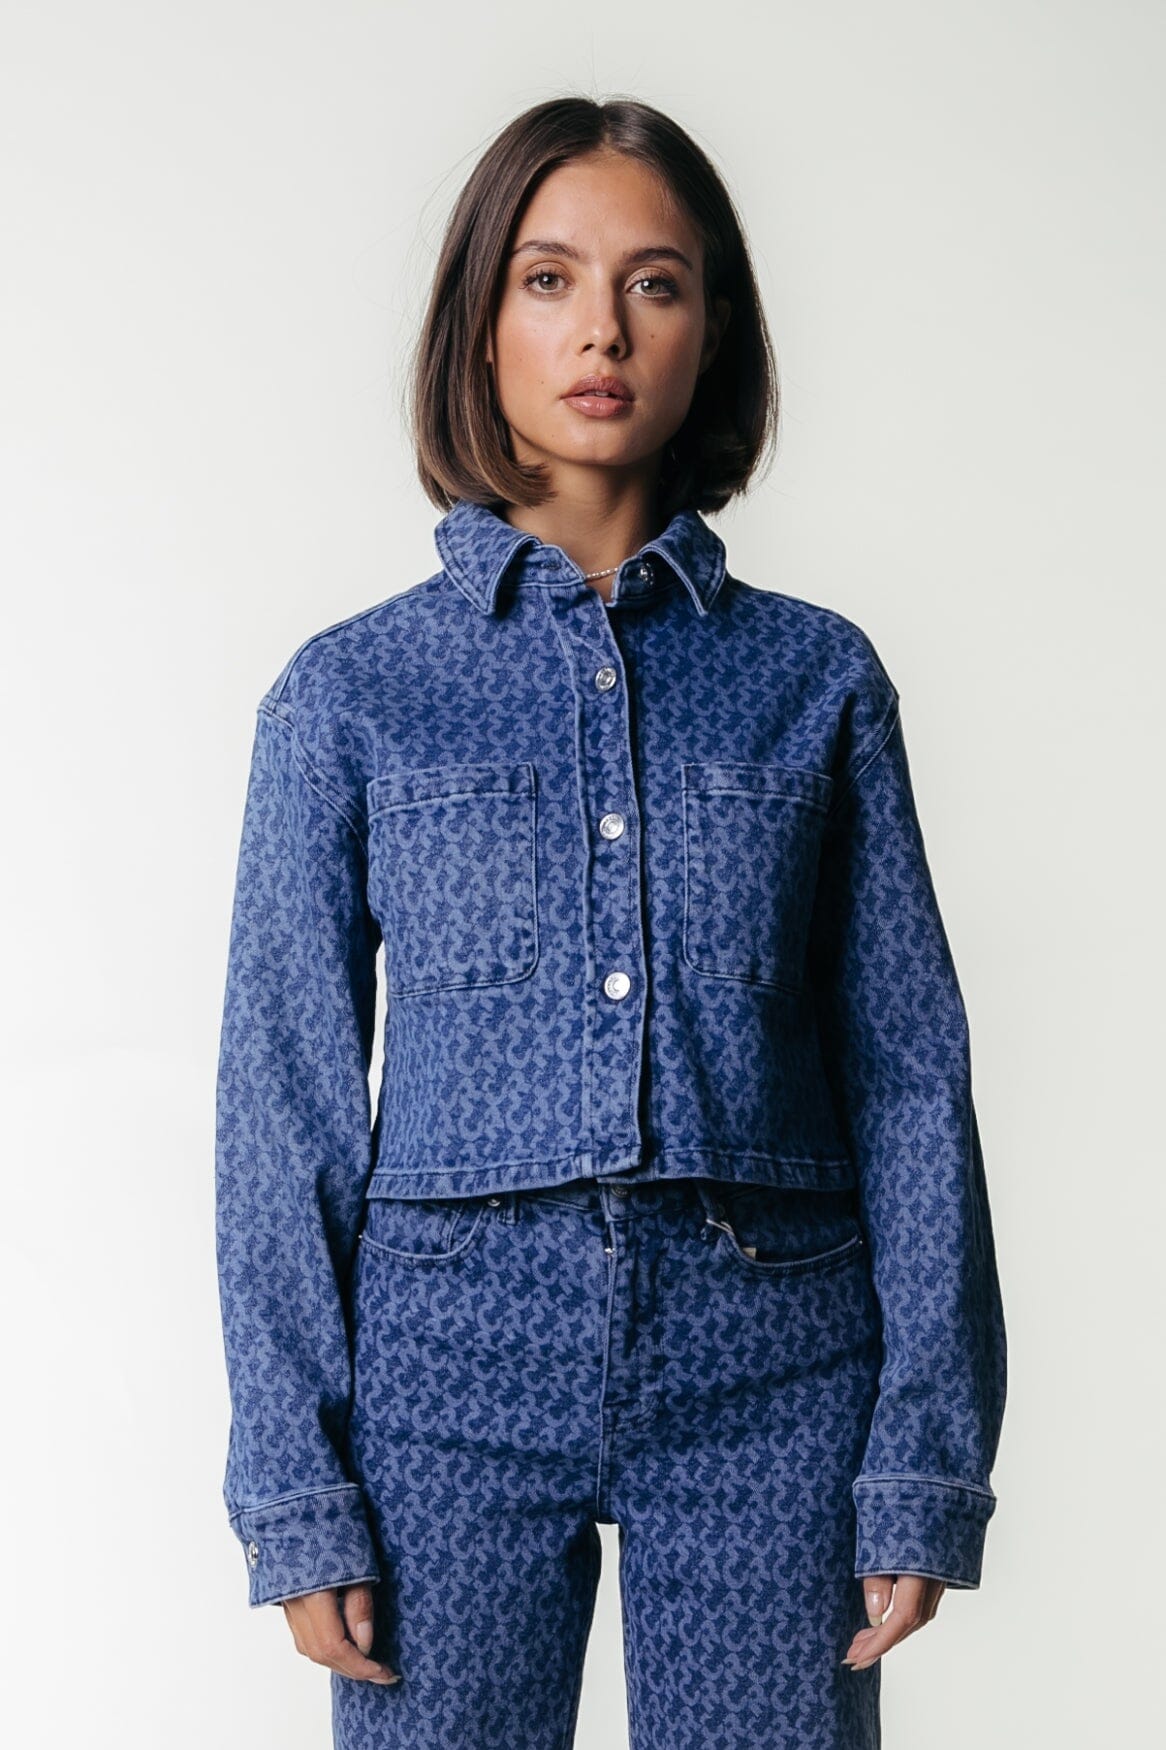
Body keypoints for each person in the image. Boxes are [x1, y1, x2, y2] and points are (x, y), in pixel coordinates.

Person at [214, 95, 1007, 1750]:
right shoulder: (350, 693)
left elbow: (908, 1075)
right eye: (547, 278)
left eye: (655, 283)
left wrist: (922, 1454)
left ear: (713, 330)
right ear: (478, 325)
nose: (601, 329)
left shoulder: (815, 678)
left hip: (773, 1369)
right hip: (444, 1378)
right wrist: (294, 1479)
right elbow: (283, 1101)